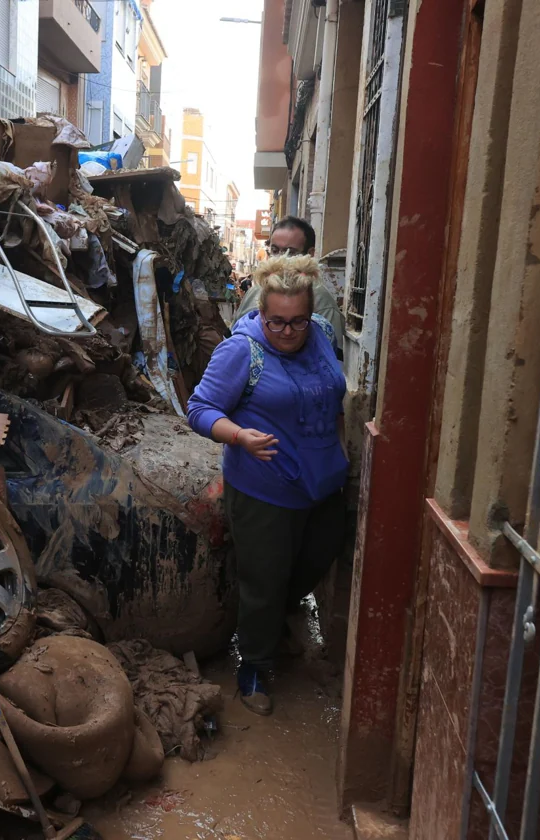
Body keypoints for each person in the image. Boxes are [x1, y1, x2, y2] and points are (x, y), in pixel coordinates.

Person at [186, 255, 348, 716]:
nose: (287, 332)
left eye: (297, 322)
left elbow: (333, 395)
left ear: (311, 313)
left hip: (321, 485)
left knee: (320, 552)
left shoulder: (322, 334)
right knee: (264, 580)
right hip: (265, 489)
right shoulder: (243, 350)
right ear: (260, 311)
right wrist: (238, 435)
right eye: (275, 321)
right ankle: (253, 665)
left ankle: (276, 622)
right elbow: (199, 409)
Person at [239, 217, 344, 350]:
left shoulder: (322, 301)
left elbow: (331, 359)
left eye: (291, 252)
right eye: (275, 251)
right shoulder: (254, 292)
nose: (280, 259)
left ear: (310, 254)